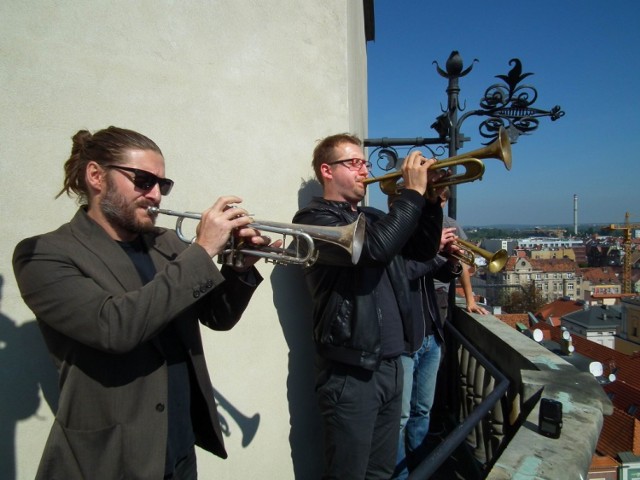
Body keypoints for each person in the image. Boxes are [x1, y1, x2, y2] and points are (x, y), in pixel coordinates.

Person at [12, 126, 275, 480]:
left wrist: (238, 268)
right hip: (109, 458)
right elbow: (114, 327)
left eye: (162, 185)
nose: (155, 195)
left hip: (179, 446)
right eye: (142, 180)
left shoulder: (166, 243)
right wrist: (202, 251)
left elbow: (216, 316)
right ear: (96, 176)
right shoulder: (44, 254)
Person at [292, 133, 446, 479]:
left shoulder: (375, 216)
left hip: (393, 362)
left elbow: (421, 251)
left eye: (365, 162)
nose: (365, 169)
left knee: (380, 473)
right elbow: (372, 250)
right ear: (327, 171)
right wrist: (411, 194)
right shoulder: (313, 220)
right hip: (351, 371)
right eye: (354, 162)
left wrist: (431, 201)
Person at [394, 227, 463, 479]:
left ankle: (420, 468)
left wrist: (452, 260)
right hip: (405, 339)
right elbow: (404, 273)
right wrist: (434, 252)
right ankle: (400, 475)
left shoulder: (420, 239)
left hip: (431, 334)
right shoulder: (393, 238)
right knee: (400, 418)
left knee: (422, 410)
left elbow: (437, 274)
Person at [434, 187, 489, 321]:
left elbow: (463, 262)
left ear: (446, 202)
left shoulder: (451, 225)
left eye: (441, 201)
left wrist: (470, 301)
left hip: (438, 289)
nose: (438, 204)